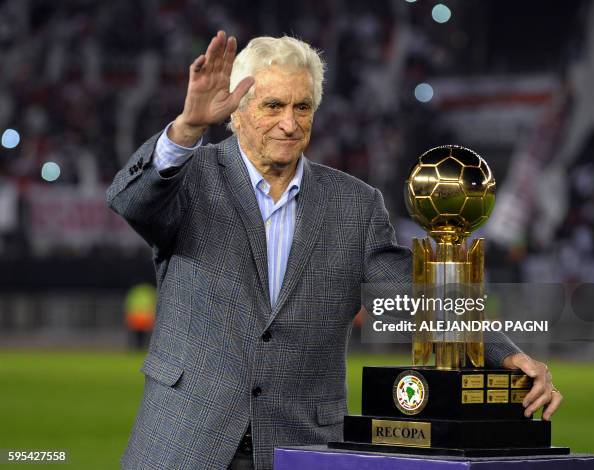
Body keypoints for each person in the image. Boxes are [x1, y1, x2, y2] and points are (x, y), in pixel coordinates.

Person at [107, 31, 562, 470]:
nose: (290, 122)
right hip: (184, 444)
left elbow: (417, 293)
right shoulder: (189, 176)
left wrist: (505, 354)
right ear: (237, 110)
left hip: (299, 446)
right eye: (273, 106)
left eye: (302, 106)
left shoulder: (355, 204)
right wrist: (186, 128)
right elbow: (130, 201)